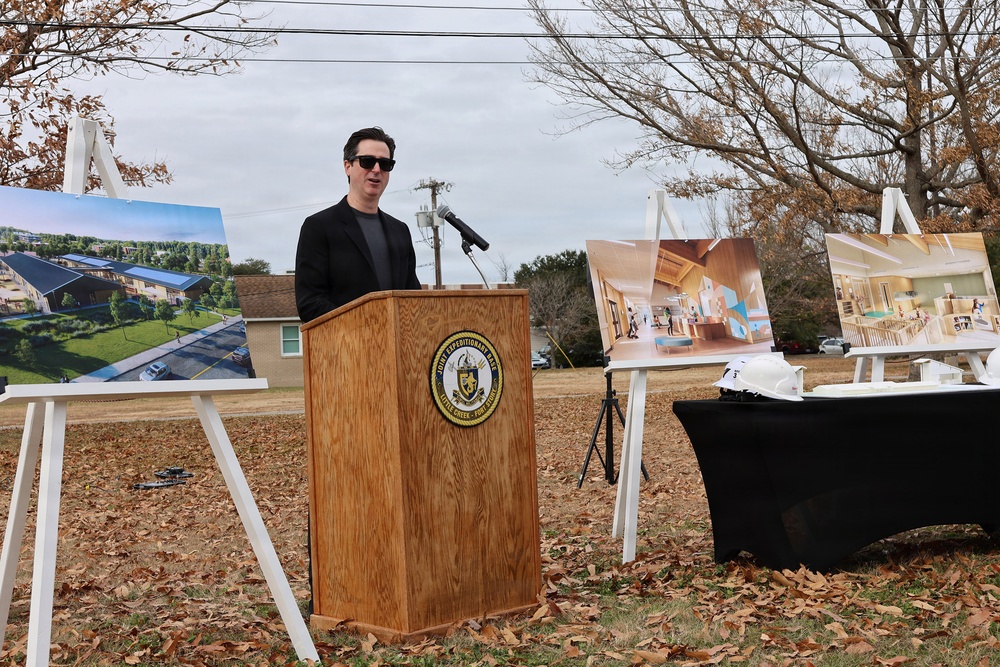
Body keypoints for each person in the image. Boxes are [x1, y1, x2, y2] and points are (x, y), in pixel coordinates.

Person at [295, 127, 421, 322]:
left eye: (385, 163)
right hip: (345, 349)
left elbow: (414, 300)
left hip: (397, 349)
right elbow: (310, 303)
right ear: (347, 166)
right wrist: (368, 328)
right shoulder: (319, 227)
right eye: (367, 161)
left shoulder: (400, 230)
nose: (377, 169)